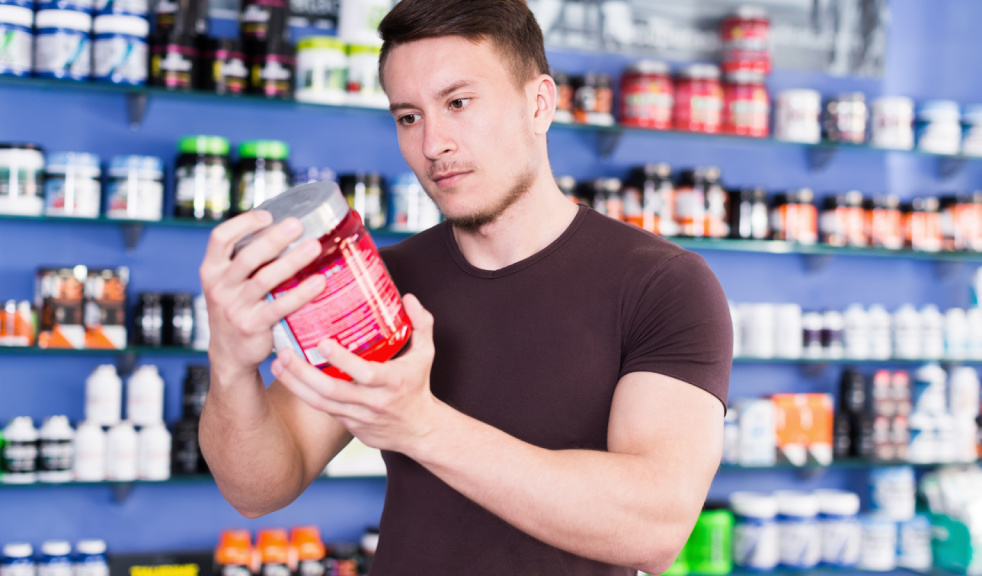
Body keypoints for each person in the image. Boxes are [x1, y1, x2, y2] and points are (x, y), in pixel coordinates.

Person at [197, 0, 732, 573]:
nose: (432, 144)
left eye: (458, 103)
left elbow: (654, 528)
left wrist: (421, 426)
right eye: (408, 116)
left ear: (539, 104)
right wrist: (230, 365)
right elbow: (257, 488)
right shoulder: (385, 282)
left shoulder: (662, 284)